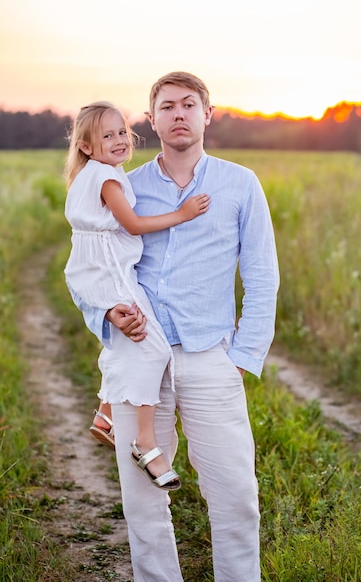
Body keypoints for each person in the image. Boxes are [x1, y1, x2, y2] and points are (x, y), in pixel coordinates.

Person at [70, 72, 279, 581]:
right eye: (167, 106)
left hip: (212, 359)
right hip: (140, 358)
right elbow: (90, 265)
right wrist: (103, 314)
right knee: (142, 505)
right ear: (152, 119)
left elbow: (262, 277)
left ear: (208, 114)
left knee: (235, 497)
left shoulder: (239, 184)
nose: (179, 113)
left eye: (189, 104)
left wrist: (241, 360)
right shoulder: (124, 186)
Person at [64, 100, 210, 490]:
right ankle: (145, 442)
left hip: (99, 270)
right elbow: (132, 224)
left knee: (124, 345)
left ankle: (106, 413)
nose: (118, 140)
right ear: (86, 147)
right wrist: (183, 213)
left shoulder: (90, 174)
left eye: (122, 132)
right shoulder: (108, 179)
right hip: (113, 273)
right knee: (154, 349)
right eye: (106, 136)